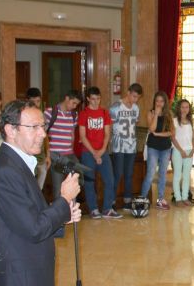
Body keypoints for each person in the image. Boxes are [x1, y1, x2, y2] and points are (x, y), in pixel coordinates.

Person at [0, 100, 81, 286]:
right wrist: (63, 200)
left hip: (28, 280)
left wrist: (63, 216)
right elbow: (33, 228)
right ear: (11, 130)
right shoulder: (6, 171)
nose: (43, 134)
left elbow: (21, 220)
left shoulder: (16, 163)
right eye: (34, 127)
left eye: (43, 126)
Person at [79, 86, 122, 219]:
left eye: (98, 98)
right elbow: (82, 136)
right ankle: (93, 209)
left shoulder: (104, 113)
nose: (96, 102)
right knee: (89, 181)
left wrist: (102, 150)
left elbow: (107, 134)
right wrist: (94, 153)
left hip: (103, 151)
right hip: (88, 153)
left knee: (110, 180)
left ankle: (107, 209)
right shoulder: (84, 114)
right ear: (87, 99)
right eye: (93, 99)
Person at [44, 89, 83, 201]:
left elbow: (71, 133)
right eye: (73, 103)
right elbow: (44, 134)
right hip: (55, 154)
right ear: (67, 98)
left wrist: (71, 149)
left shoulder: (74, 114)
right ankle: (59, 216)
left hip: (69, 153)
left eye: (77, 104)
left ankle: (73, 214)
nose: (75, 106)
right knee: (58, 188)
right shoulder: (50, 112)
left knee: (74, 183)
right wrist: (48, 154)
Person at [110, 83, 143, 211]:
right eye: (134, 96)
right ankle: (111, 201)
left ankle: (127, 201)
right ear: (128, 92)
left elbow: (134, 125)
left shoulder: (136, 108)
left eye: (137, 98)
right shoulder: (115, 107)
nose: (135, 100)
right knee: (118, 174)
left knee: (129, 174)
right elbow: (110, 126)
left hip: (131, 146)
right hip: (119, 146)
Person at [140, 91, 173, 210]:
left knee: (163, 174)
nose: (159, 103)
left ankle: (160, 199)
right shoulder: (150, 113)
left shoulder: (169, 114)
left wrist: (158, 134)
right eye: (157, 101)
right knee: (150, 173)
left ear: (165, 103)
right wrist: (156, 115)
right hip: (153, 147)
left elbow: (171, 132)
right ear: (154, 102)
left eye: (161, 101)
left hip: (165, 148)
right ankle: (142, 199)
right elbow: (151, 128)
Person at [26, 87, 51, 190]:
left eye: (38, 101)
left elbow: (45, 138)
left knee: (39, 190)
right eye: (33, 101)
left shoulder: (42, 116)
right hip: (29, 157)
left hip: (41, 159)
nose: (36, 104)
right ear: (27, 101)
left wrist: (48, 155)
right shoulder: (24, 116)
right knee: (28, 188)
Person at [172, 99, 194, 206]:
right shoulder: (175, 121)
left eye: (187, 107)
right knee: (177, 175)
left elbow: (193, 137)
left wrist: (193, 149)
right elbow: (173, 138)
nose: (185, 109)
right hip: (178, 151)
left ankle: (185, 197)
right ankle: (178, 198)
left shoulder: (191, 121)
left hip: (189, 150)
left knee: (186, 175)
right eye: (182, 107)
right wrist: (181, 151)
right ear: (179, 108)